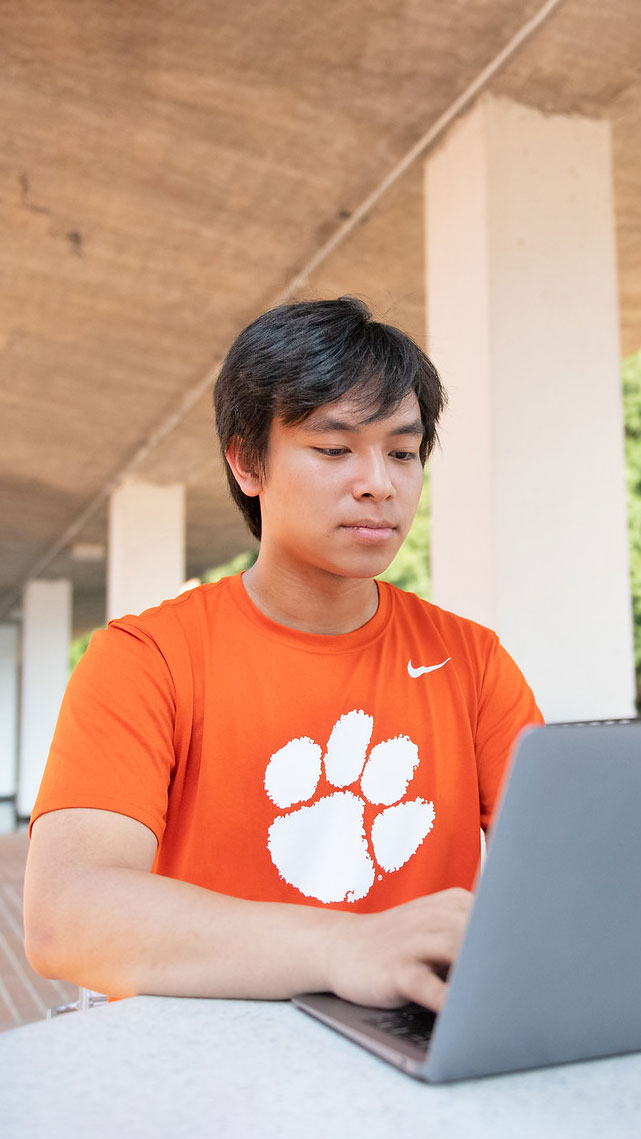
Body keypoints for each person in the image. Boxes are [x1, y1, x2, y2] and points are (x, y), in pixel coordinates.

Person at [24, 297, 542, 1014]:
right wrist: (344, 944)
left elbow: (559, 872)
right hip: (202, 1060)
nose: (379, 482)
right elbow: (66, 916)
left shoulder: (470, 660)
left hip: (419, 1041)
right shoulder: (144, 658)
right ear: (246, 462)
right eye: (334, 449)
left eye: (401, 450)